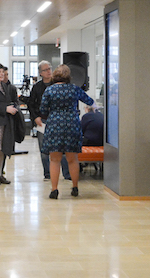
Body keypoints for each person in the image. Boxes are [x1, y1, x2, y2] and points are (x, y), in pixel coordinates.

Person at [40, 64, 94, 199]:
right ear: (68, 76)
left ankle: (54, 189)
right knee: (72, 158)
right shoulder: (74, 89)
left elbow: (43, 110)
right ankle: (75, 187)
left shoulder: (49, 90)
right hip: (72, 124)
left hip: (54, 124)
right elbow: (90, 101)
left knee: (54, 159)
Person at [29, 60, 71, 181]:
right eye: (46, 70)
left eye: (50, 69)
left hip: (58, 120)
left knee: (61, 148)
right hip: (43, 120)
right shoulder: (37, 87)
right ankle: (48, 174)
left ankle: (66, 173)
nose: (49, 71)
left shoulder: (58, 84)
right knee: (44, 148)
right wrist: (36, 117)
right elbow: (31, 104)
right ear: (40, 73)